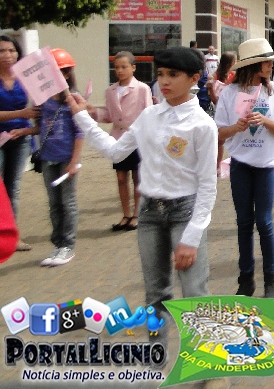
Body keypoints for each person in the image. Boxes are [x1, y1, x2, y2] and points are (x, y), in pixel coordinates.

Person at [69, 46, 218, 312]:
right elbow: (115, 151)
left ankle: (200, 341)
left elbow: (208, 185)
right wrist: (82, 116)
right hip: (149, 212)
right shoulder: (149, 116)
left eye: (173, 74)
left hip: (185, 213)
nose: (164, 81)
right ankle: (157, 341)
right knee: (155, 294)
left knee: (195, 294)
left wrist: (192, 237)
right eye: (161, 74)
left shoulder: (202, 125)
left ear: (194, 78)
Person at [215, 38, 274, 297]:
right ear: (254, 65)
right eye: (267, 62)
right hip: (240, 165)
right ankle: (246, 279)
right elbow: (218, 132)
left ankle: (271, 279)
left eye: (272, 62)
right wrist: (236, 127)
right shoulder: (230, 93)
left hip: (266, 165)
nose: (271, 66)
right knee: (244, 222)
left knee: (264, 222)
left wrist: (265, 120)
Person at [19, 49, 84, 267]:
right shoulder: (43, 100)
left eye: (61, 71)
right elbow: (42, 128)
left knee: (68, 202)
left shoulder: (73, 99)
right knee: (54, 204)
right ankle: (58, 244)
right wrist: (22, 131)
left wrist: (74, 162)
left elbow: (80, 132)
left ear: (67, 74)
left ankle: (68, 246)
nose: (55, 76)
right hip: (48, 158)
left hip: (67, 159)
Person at [91, 51, 152, 231]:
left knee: (137, 177)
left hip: (137, 139)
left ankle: (137, 214)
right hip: (118, 139)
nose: (119, 70)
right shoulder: (110, 91)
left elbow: (149, 114)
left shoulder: (142, 89)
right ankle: (125, 214)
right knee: (120, 178)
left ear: (133, 68)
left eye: (124, 67)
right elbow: (109, 115)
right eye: (116, 67)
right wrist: (92, 112)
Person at [0, 34, 38, 251]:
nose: (7, 55)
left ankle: (11, 237)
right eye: (2, 51)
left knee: (12, 188)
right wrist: (21, 113)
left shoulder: (26, 77)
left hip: (20, 138)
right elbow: (25, 111)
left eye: (12, 50)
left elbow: (43, 101)